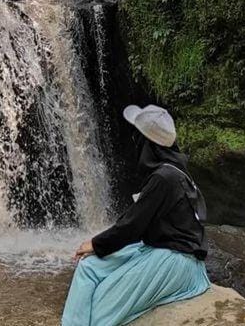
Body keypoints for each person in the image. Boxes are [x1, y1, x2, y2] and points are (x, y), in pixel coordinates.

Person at [60, 103, 211, 326]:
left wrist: (95, 242)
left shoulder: (165, 178)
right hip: (157, 249)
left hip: (177, 262)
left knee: (101, 312)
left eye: (138, 138)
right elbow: (135, 221)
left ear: (148, 144)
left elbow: (132, 226)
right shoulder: (173, 171)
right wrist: (98, 245)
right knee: (88, 267)